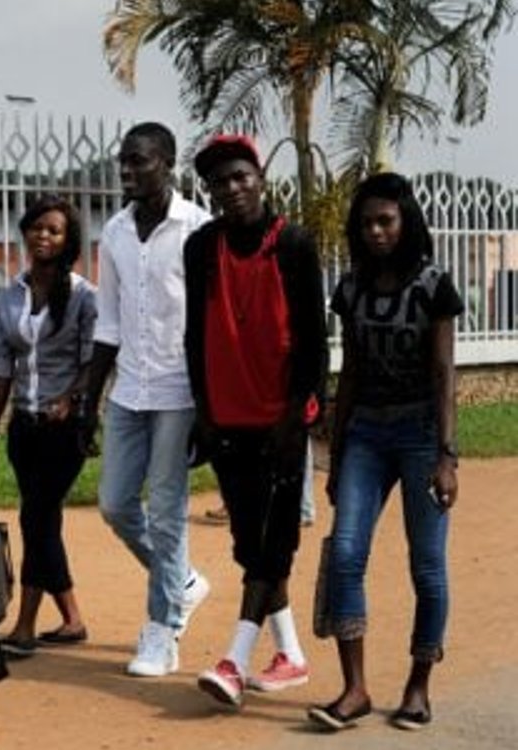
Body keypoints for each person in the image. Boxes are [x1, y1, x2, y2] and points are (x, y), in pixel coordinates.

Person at [309, 172, 461, 733]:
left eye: (386, 221)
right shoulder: (350, 289)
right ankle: (355, 689)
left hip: (422, 433)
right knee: (346, 552)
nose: (376, 231)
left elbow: (444, 373)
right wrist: (338, 442)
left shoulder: (433, 285)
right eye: (367, 222)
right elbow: (348, 370)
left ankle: (419, 685)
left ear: (406, 222)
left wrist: (446, 456)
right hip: (367, 435)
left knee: (428, 566)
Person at [183, 135, 326, 707]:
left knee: (274, 544)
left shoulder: (293, 243)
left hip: (281, 421)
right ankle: (289, 654)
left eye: (241, 176)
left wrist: (297, 419)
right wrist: (204, 412)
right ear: (211, 192)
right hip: (226, 418)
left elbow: (314, 341)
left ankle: (234, 659)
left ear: (261, 178)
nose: (233, 189)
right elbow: (194, 334)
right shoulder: (201, 248)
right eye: (221, 182)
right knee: (251, 545)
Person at [81, 122, 213, 677]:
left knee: (166, 513)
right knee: (113, 504)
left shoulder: (199, 230)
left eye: (139, 162)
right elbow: (108, 324)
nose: (129, 172)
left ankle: (161, 630)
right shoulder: (113, 233)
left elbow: (210, 325)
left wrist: (209, 408)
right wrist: (90, 404)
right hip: (130, 390)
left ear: (168, 163)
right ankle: (181, 580)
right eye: (123, 164)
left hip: (180, 392)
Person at [0, 195, 96, 659]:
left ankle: (25, 626)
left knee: (36, 518)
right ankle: (72, 618)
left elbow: (92, 362)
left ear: (68, 241)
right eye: (37, 228)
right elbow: (0, 369)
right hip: (23, 429)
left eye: (55, 230)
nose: (44, 236)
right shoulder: (9, 297)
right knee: (44, 521)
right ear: (25, 232)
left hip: (64, 431)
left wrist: (71, 400)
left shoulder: (85, 296)